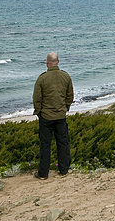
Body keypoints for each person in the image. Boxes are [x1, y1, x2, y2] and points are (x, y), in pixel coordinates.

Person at [32, 52, 74, 180]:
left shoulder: (42, 78)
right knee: (63, 143)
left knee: (45, 145)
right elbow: (70, 96)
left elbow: (37, 98)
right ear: (58, 62)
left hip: (46, 117)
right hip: (61, 115)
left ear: (47, 63)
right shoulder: (65, 76)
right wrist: (65, 108)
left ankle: (43, 173)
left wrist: (39, 112)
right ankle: (64, 170)